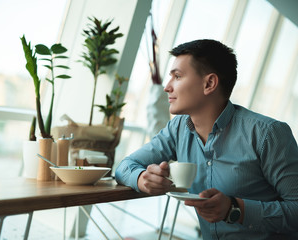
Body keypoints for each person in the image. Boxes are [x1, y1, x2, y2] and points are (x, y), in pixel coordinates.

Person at [115, 39, 298, 239]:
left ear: (209, 83)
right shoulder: (177, 128)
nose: (167, 87)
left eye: (177, 76)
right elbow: (125, 166)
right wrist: (142, 179)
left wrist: (235, 209)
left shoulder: (267, 134)